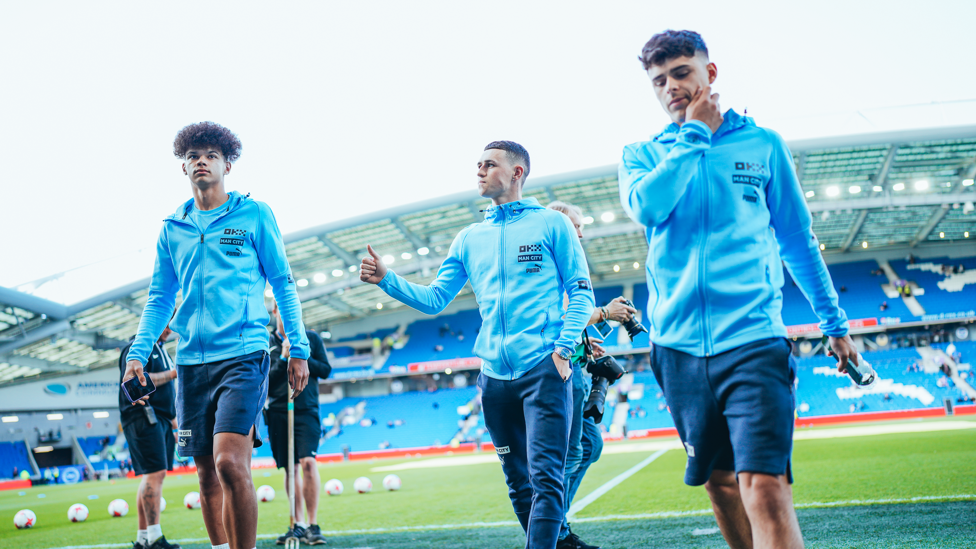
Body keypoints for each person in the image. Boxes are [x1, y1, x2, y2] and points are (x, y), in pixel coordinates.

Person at [618, 30, 858, 549]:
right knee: (721, 485)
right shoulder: (641, 154)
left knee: (766, 487)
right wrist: (694, 138)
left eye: (681, 73)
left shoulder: (763, 145)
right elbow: (649, 208)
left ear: (711, 73)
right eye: (659, 81)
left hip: (753, 340)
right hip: (677, 349)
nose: (671, 88)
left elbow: (797, 240)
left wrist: (835, 325)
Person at [360, 141, 595, 549]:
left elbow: (581, 293)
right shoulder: (469, 237)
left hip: (543, 368)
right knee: (518, 483)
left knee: (546, 478)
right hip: (493, 379)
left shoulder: (550, 225)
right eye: (478, 165)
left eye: (490, 164)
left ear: (518, 172)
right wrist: (387, 278)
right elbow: (435, 299)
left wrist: (561, 349)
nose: (480, 171)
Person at [123, 121, 311, 549]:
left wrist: (297, 347)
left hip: (243, 356)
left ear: (227, 164)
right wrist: (139, 353)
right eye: (192, 156)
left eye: (210, 154)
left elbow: (282, 282)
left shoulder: (254, 214)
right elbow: (158, 298)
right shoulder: (173, 228)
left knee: (229, 463)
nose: (201, 161)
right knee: (206, 474)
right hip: (190, 363)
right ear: (183, 168)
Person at [547, 201, 638, 549]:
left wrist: (588, 347)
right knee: (571, 453)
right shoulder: (550, 263)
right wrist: (603, 313)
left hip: (577, 368)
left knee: (590, 445)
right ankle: (554, 531)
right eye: (576, 226)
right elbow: (557, 315)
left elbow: (571, 321)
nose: (582, 233)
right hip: (560, 374)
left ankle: (556, 525)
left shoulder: (568, 263)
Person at [265, 301, 332, 546]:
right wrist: (283, 358)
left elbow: (325, 370)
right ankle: (298, 524)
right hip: (279, 412)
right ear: (275, 312)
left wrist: (300, 353)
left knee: (307, 462)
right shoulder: (266, 342)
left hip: (306, 409)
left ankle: (313, 525)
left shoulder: (310, 338)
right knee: (290, 468)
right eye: (282, 309)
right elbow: (266, 385)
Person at [118, 325, 180, 549]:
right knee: (155, 473)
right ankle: (153, 538)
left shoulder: (161, 349)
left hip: (159, 418)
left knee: (150, 476)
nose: (170, 329)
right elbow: (136, 383)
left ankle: (144, 538)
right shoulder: (137, 347)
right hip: (143, 416)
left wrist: (174, 422)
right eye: (166, 322)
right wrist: (174, 373)